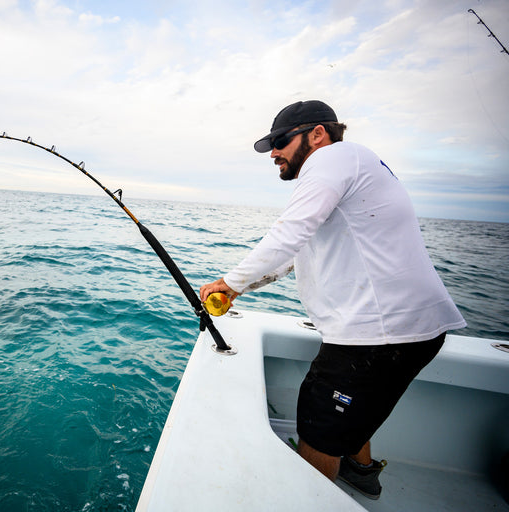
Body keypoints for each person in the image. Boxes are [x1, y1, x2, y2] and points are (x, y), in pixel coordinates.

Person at [199, 100, 466, 499]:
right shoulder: (357, 165)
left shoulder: (332, 159)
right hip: (411, 330)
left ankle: (310, 498)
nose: (274, 152)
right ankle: (359, 469)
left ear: (317, 134)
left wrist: (227, 279)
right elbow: (294, 253)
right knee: (358, 410)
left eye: (281, 141)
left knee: (320, 422)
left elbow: (289, 231)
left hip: (379, 334)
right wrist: (239, 288)